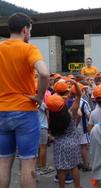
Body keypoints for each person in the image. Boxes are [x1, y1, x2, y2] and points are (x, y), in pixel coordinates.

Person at [0, 13, 49, 188]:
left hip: (2, 111)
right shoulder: (29, 49)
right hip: (25, 111)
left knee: (4, 162)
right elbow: (44, 73)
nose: (30, 34)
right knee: (28, 162)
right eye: (30, 31)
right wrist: (39, 97)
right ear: (24, 30)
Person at [47, 80, 82, 188]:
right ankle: (78, 186)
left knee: (61, 169)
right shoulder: (71, 113)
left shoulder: (51, 117)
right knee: (74, 166)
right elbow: (79, 96)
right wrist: (75, 83)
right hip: (72, 143)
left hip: (59, 144)